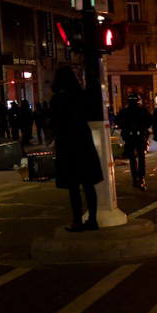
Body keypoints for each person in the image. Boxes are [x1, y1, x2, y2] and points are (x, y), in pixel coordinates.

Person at [50, 66, 103, 232]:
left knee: (73, 186)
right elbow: (92, 114)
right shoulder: (83, 96)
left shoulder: (57, 99)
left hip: (67, 144)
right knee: (88, 184)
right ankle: (92, 219)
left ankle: (77, 220)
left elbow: (55, 122)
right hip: (84, 142)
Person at [115, 92, 153, 190]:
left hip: (129, 138)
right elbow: (149, 122)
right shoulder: (142, 111)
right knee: (141, 158)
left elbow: (118, 122)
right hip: (140, 136)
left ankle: (135, 179)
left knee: (132, 159)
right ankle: (141, 178)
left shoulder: (124, 111)